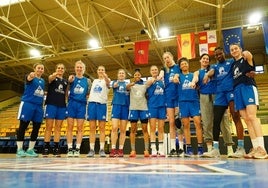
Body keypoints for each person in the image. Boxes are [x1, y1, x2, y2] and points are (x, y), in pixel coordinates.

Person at [203, 47, 245, 158]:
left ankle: (241, 147)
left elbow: (241, 62)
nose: (218, 56)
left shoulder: (231, 62)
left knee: (236, 116)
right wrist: (208, 75)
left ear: (223, 53)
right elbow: (211, 71)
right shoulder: (214, 66)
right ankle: (215, 149)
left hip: (231, 91)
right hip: (220, 94)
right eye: (216, 55)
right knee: (216, 120)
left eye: (220, 54)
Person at [230, 43, 267, 159]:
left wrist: (247, 53)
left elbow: (249, 56)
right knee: (246, 119)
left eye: (236, 48)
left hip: (248, 87)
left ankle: (262, 149)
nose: (234, 50)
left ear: (240, 49)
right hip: (237, 90)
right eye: (232, 50)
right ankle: (255, 148)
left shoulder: (246, 58)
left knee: (252, 117)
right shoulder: (233, 65)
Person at [191, 53, 234, 155]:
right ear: (200, 61)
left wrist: (207, 74)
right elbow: (195, 78)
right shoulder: (197, 72)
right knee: (207, 122)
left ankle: (230, 148)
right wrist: (193, 82)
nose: (205, 60)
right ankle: (210, 148)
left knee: (224, 121)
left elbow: (212, 71)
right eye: (203, 59)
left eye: (207, 59)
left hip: (217, 95)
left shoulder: (214, 68)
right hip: (204, 96)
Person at [175, 57, 203, 157]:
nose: (184, 65)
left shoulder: (193, 75)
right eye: (182, 64)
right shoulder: (178, 76)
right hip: (183, 103)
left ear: (188, 64)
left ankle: (200, 148)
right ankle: (189, 148)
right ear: (180, 67)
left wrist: (194, 82)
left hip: (194, 101)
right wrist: (175, 77)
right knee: (185, 125)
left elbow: (196, 77)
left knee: (198, 123)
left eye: (185, 64)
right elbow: (174, 79)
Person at [16, 62, 45, 157]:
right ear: (34, 69)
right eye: (38, 68)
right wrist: (31, 76)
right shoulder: (30, 76)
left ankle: (30, 149)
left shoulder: (43, 81)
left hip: (38, 106)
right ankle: (19, 149)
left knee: (36, 128)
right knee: (23, 126)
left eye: (42, 68)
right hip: (28, 104)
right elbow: (28, 78)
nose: (40, 70)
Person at [42, 63, 68, 157]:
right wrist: (55, 74)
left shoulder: (65, 82)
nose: (60, 69)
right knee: (48, 127)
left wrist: (66, 104)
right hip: (51, 105)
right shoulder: (52, 78)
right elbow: (50, 78)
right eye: (58, 68)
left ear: (64, 70)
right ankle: (46, 147)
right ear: (56, 69)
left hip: (61, 106)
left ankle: (56, 148)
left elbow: (65, 94)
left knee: (58, 128)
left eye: (62, 68)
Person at [159, 52, 181, 157]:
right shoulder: (164, 69)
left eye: (168, 57)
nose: (166, 59)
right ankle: (172, 148)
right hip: (168, 97)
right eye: (164, 58)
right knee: (171, 122)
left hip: (178, 96)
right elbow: (161, 74)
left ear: (172, 57)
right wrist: (160, 75)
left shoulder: (178, 67)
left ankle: (181, 148)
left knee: (179, 123)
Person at [66, 60, 91, 157]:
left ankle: (77, 148)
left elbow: (88, 93)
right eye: (78, 67)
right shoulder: (71, 79)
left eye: (81, 67)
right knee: (70, 127)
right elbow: (66, 90)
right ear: (75, 68)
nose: (79, 69)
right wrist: (69, 82)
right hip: (71, 104)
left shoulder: (87, 81)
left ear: (84, 69)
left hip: (81, 105)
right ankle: (69, 148)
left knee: (80, 128)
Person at [87, 65, 111, 158]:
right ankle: (91, 149)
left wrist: (105, 76)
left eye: (103, 70)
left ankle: (102, 149)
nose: (101, 71)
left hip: (102, 105)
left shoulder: (107, 80)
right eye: (99, 70)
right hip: (92, 104)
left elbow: (108, 83)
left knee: (102, 128)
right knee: (92, 128)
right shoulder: (94, 81)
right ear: (97, 71)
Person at [127, 68, 150, 158]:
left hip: (143, 108)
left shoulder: (145, 85)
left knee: (144, 129)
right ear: (134, 76)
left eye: (138, 75)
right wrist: (131, 83)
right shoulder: (131, 85)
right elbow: (126, 87)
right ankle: (133, 150)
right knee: (133, 130)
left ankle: (146, 150)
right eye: (135, 75)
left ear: (141, 76)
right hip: (133, 109)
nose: (137, 76)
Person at [109, 69, 130, 157]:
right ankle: (113, 149)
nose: (121, 74)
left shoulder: (127, 84)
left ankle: (120, 149)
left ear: (125, 75)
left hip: (125, 107)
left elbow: (131, 90)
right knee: (114, 127)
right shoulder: (115, 82)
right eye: (120, 73)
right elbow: (112, 85)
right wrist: (114, 84)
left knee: (123, 129)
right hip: (116, 106)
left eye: (123, 73)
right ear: (117, 75)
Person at [146, 65, 166, 157]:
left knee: (161, 128)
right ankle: (153, 149)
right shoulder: (149, 81)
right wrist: (154, 79)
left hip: (162, 106)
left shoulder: (162, 81)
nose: (154, 71)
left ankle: (161, 150)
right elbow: (147, 85)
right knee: (153, 128)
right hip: (152, 106)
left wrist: (161, 76)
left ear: (158, 71)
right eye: (152, 70)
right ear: (150, 72)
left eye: (156, 70)